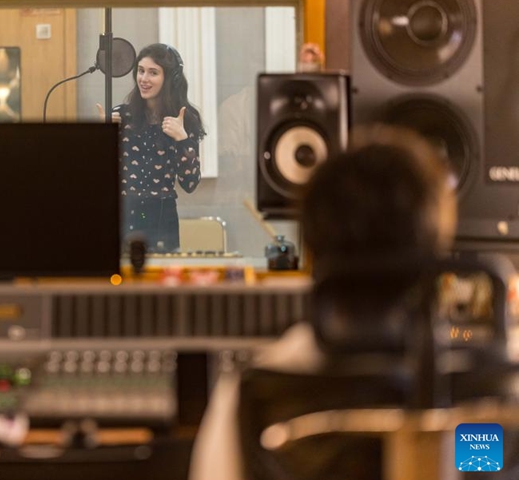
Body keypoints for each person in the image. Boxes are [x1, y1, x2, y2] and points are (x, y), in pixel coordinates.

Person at [189, 124, 458, 480]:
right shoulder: (491, 381)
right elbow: (483, 465)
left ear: (314, 247)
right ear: (436, 243)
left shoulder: (258, 392)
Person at [97, 43, 206, 253]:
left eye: (153, 73)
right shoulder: (121, 115)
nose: (143, 79)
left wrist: (183, 140)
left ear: (170, 79)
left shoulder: (185, 119)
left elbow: (190, 183)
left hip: (162, 216)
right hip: (123, 211)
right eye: (140, 71)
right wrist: (102, 137)